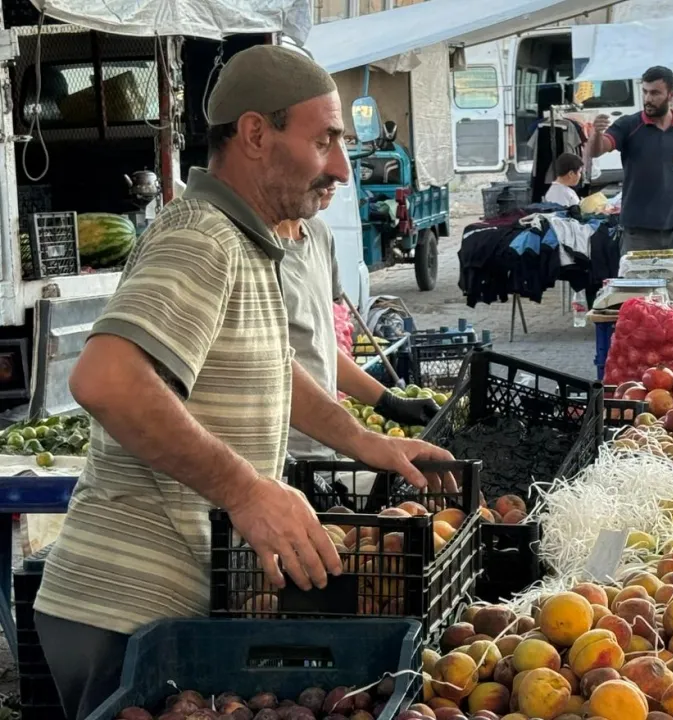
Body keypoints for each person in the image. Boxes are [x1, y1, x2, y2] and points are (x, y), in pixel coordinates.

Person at [32, 45, 454, 720]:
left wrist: (365, 442)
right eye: (324, 142)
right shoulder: (201, 238)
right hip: (125, 614)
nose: (342, 168)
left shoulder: (247, 240)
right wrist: (246, 490)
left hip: (163, 614)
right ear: (256, 134)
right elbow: (106, 379)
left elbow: (269, 368)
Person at [276, 187, 441, 467]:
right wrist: (361, 439)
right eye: (322, 152)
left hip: (328, 448)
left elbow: (320, 348)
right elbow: (273, 367)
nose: (341, 175)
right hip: (283, 458)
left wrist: (388, 402)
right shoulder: (253, 250)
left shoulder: (318, 234)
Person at [589, 66, 673, 299]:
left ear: (671, 95)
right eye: (645, 92)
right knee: (637, 299)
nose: (648, 99)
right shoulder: (628, 125)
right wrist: (596, 135)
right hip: (638, 232)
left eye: (655, 93)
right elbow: (598, 150)